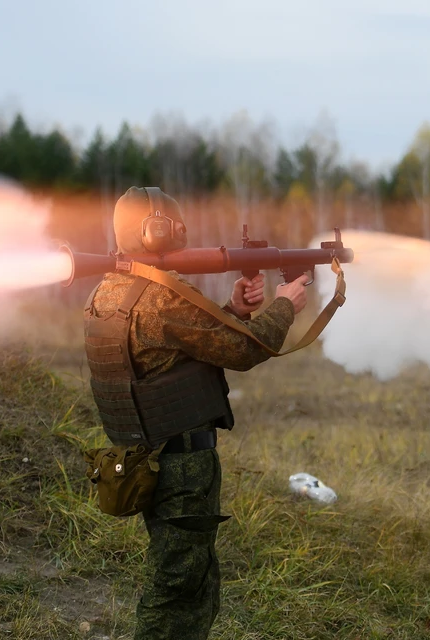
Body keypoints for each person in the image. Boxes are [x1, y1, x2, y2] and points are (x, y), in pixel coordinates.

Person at [82, 186, 309, 639]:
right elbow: (244, 350)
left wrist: (233, 309)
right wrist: (286, 304)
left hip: (145, 456)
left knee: (184, 574)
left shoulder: (110, 291)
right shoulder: (161, 294)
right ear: (159, 230)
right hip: (181, 465)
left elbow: (176, 351)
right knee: (179, 582)